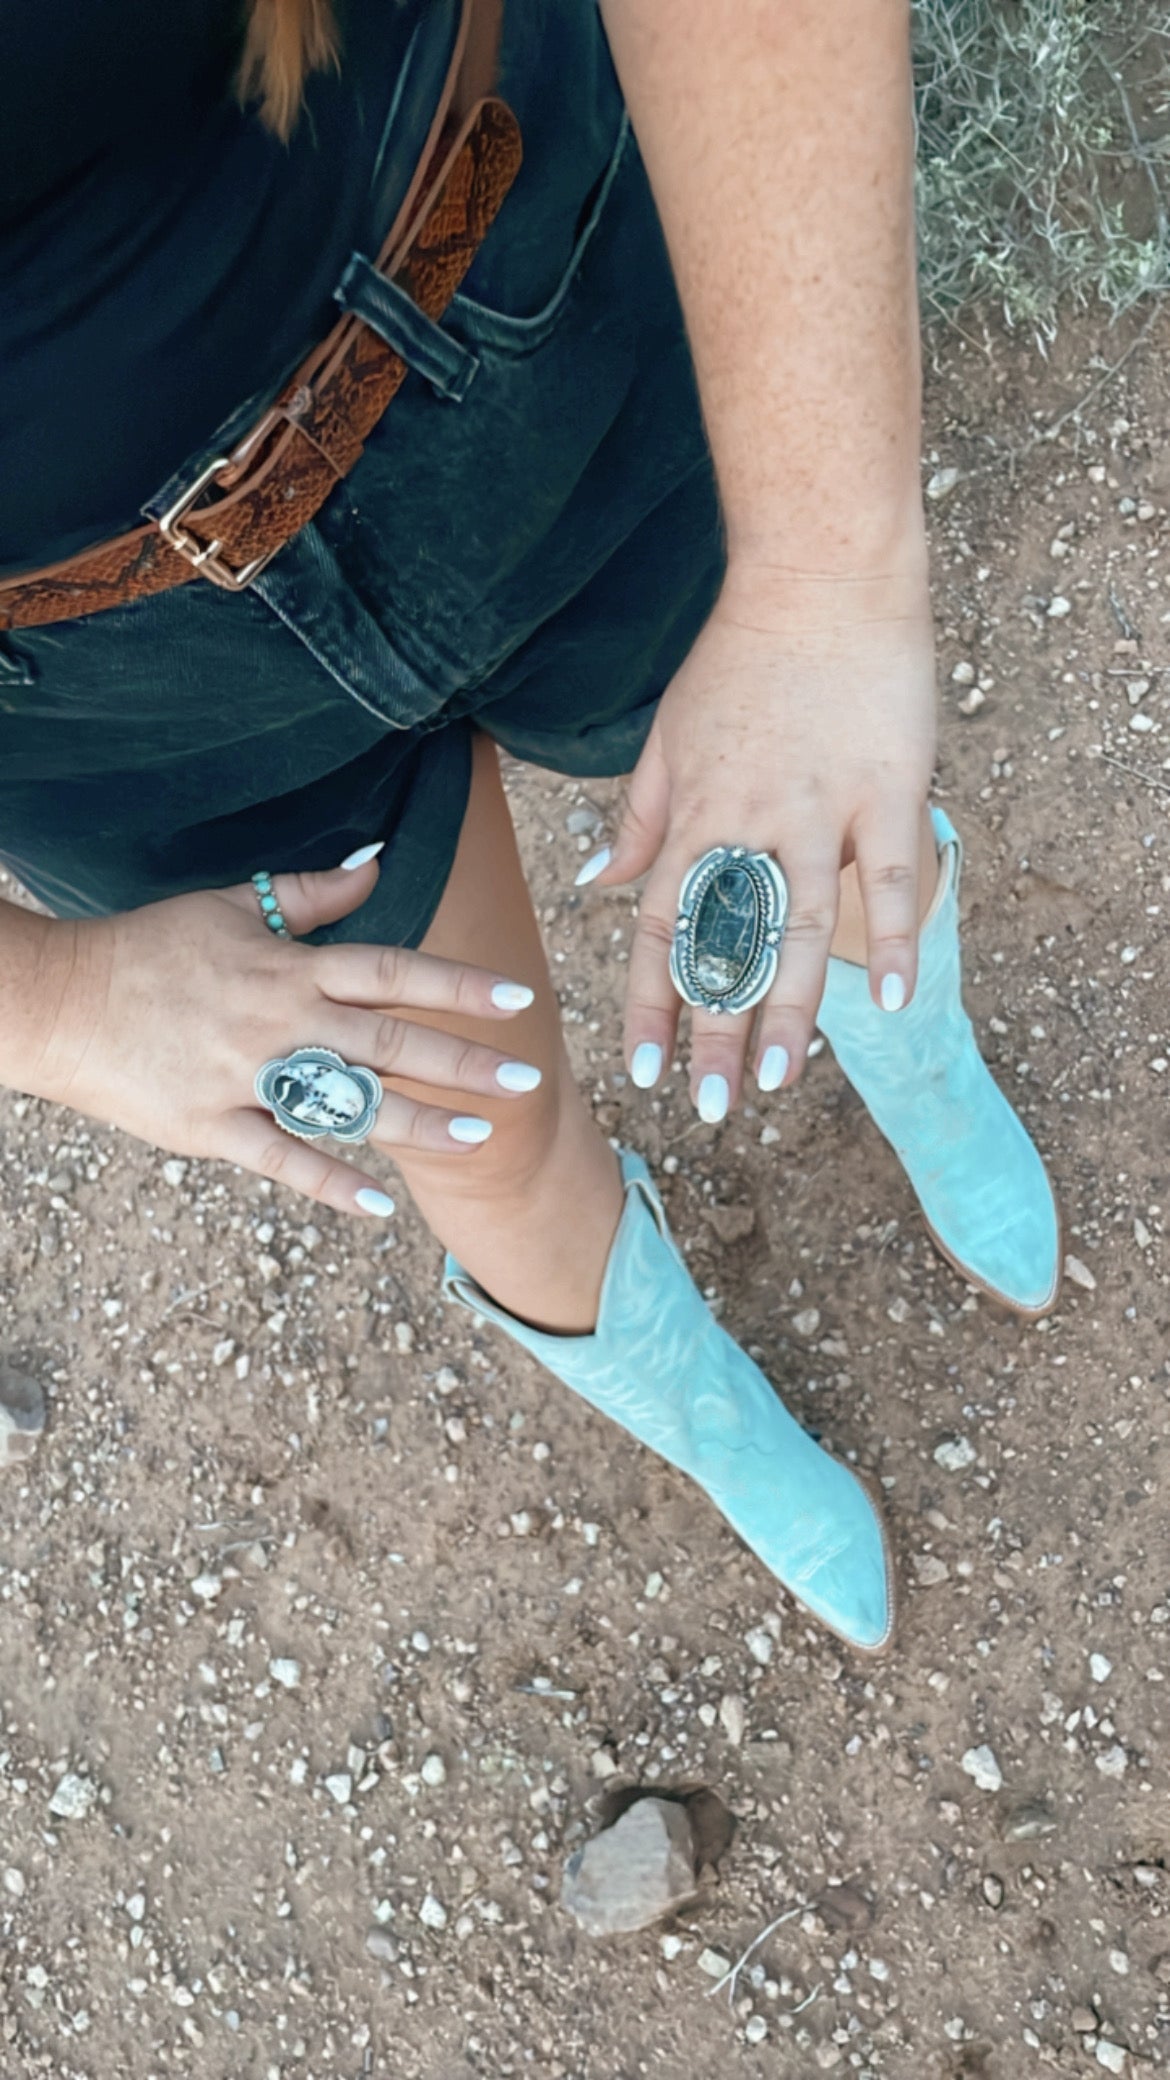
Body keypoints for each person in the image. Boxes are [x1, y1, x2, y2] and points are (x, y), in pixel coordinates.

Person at [0, 0, 1060, 1656]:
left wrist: (826, 574)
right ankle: (699, 1412)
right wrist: (46, 1008)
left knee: (818, 849)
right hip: (94, 699)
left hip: (511, 282)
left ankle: (919, 1055)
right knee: (468, 1124)